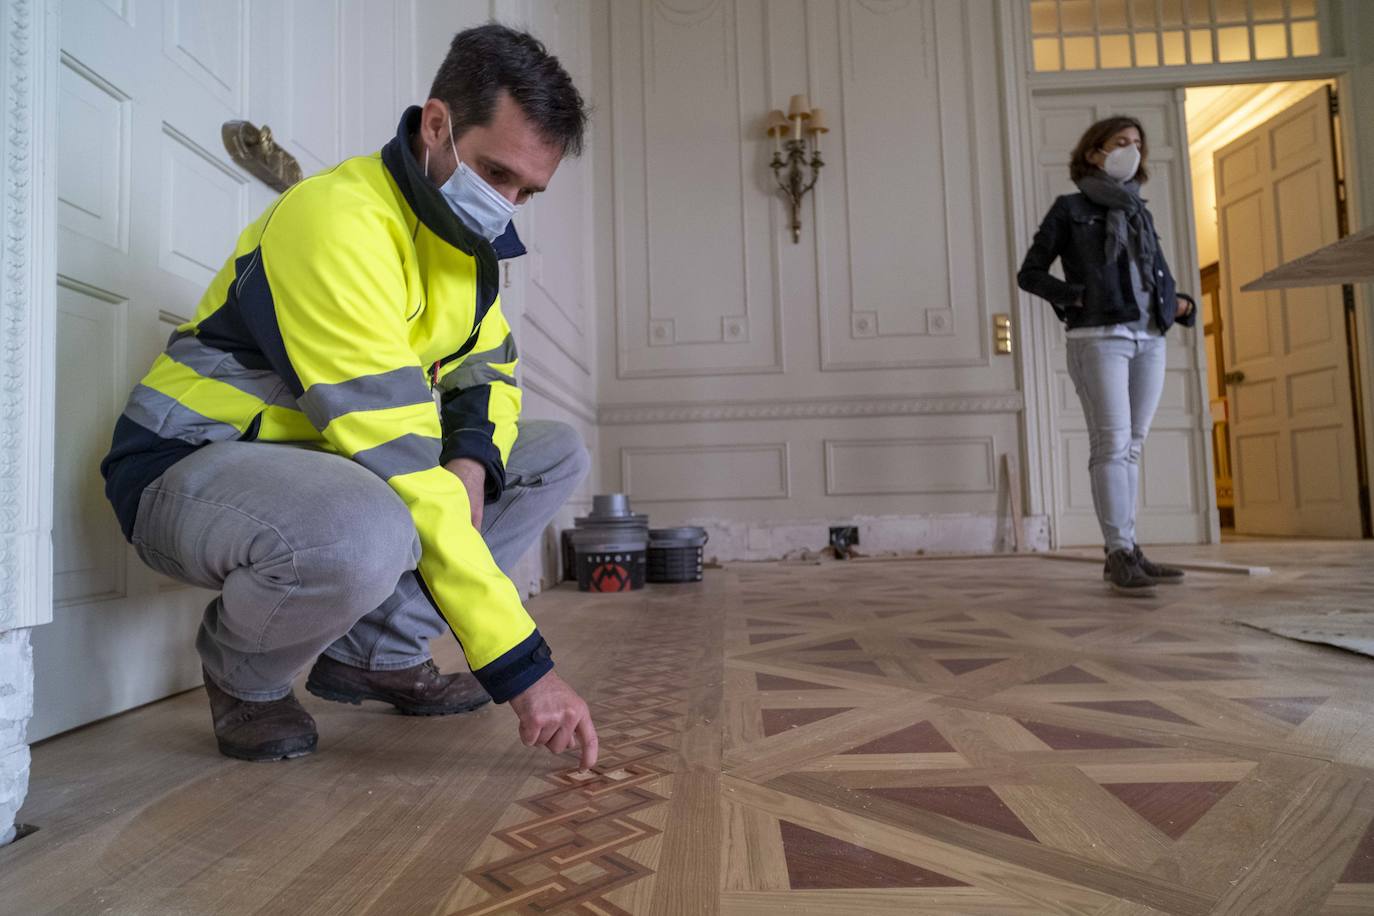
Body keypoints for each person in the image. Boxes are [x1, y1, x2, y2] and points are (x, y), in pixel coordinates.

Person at [100, 24, 599, 766]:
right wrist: (526, 670)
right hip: (191, 463)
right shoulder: (337, 222)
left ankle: (379, 655)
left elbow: (488, 373)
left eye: (528, 190)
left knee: (550, 453)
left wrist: (468, 460)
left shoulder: (462, 242)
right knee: (370, 527)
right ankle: (246, 677)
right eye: (497, 174)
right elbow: (401, 466)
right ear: (437, 126)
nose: (508, 204)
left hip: (330, 460)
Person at [1017, 115, 1196, 596]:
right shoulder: (1070, 208)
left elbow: (1153, 271)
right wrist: (1075, 297)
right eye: (1121, 143)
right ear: (1094, 153)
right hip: (1099, 338)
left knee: (1133, 444)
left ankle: (1130, 549)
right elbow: (1030, 273)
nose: (1132, 151)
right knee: (1112, 443)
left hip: (1149, 337)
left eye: (1138, 143)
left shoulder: (1139, 210)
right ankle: (1117, 551)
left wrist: (1177, 304)